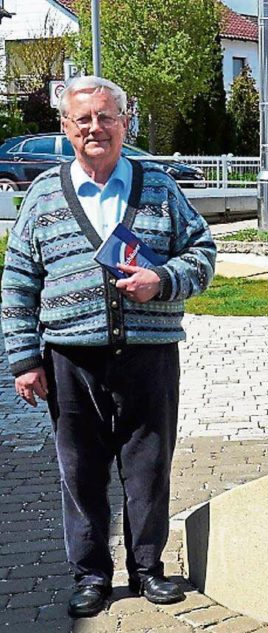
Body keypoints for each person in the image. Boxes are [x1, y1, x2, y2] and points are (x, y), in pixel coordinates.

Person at [1, 76, 216, 616]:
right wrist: (25, 359)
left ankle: (148, 569)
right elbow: (18, 280)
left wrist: (161, 280)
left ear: (125, 123)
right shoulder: (44, 195)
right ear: (66, 127)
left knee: (149, 466)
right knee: (81, 471)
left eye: (106, 116)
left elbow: (204, 254)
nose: (95, 127)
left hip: (148, 355)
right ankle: (91, 574)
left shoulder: (159, 187)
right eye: (84, 119)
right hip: (71, 359)